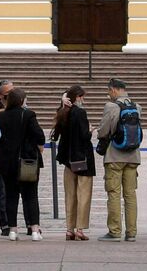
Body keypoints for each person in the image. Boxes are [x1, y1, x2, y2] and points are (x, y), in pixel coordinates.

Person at [0, 87, 47, 240]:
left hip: (7, 163)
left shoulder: (2, 116)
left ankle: (12, 230)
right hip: (27, 162)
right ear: (22, 100)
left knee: (11, 196)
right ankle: (35, 230)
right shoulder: (29, 115)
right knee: (31, 195)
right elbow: (40, 137)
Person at [95, 77, 142, 241]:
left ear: (114, 89)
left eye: (109, 91)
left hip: (114, 156)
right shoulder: (137, 106)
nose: (109, 94)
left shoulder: (111, 106)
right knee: (130, 195)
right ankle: (131, 233)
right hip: (133, 156)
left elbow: (103, 131)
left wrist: (98, 132)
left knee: (114, 193)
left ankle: (114, 231)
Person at [52, 85, 95, 240]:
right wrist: (90, 130)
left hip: (68, 159)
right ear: (77, 97)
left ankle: (69, 228)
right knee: (83, 194)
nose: (83, 100)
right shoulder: (80, 112)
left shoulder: (63, 112)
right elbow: (84, 136)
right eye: (82, 97)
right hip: (82, 159)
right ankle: (80, 229)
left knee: (70, 194)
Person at [0, 80, 13, 233]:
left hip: (16, 154)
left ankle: (24, 223)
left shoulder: (20, 109)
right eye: (8, 94)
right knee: (2, 189)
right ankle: (5, 223)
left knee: (19, 189)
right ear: (0, 95)